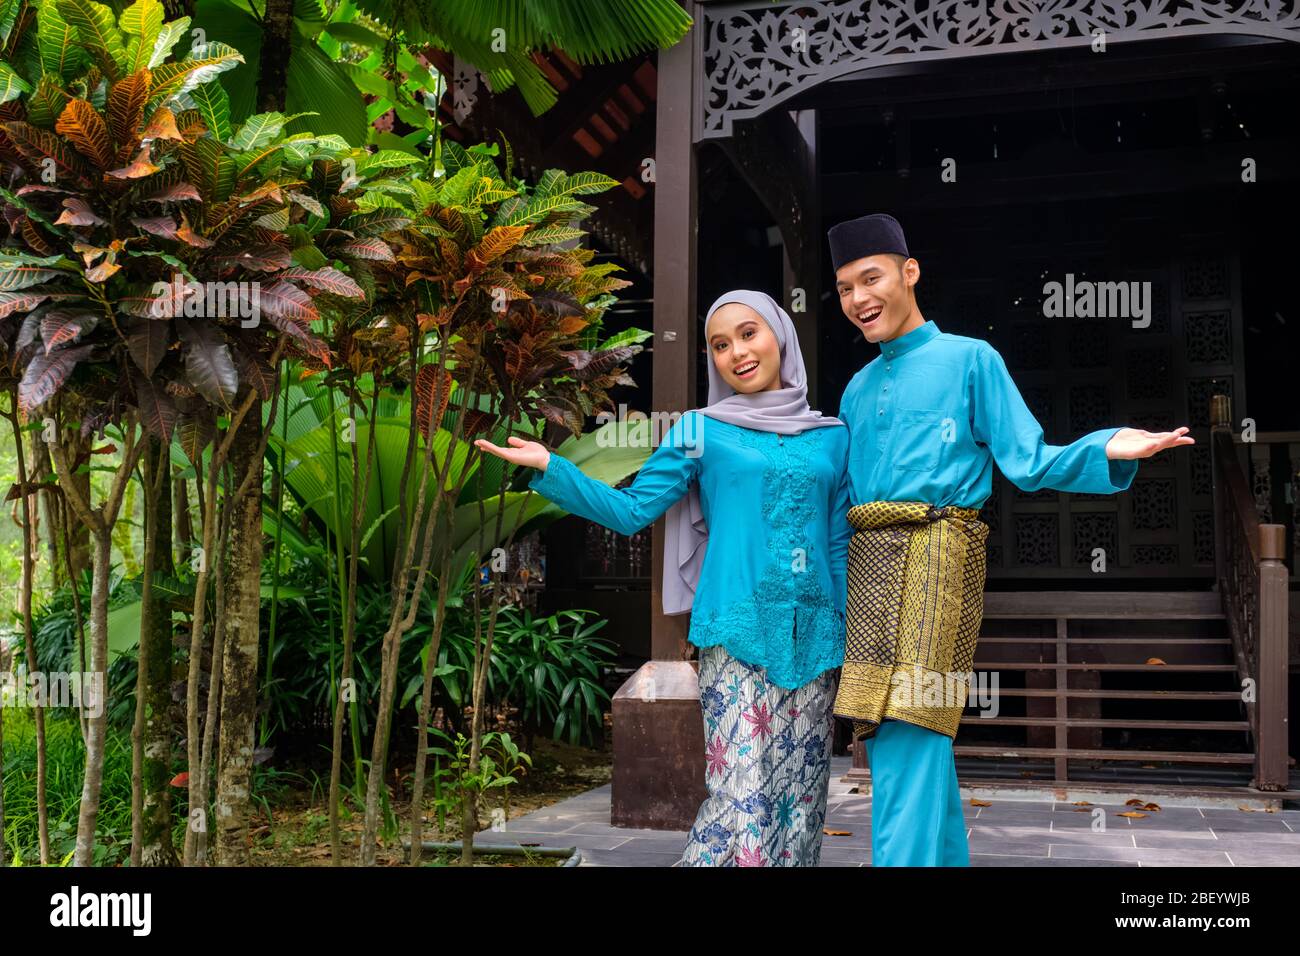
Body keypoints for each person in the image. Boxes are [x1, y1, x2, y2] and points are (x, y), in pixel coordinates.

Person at [827, 212, 1195, 866]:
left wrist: (1106, 444)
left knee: (913, 723)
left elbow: (1025, 458)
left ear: (909, 273)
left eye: (871, 278)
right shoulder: (856, 389)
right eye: (845, 287)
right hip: (869, 569)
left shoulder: (972, 359)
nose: (859, 299)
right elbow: (843, 505)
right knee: (895, 737)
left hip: (939, 555)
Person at [475, 290, 851, 866]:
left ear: (780, 335)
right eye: (719, 345)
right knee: (740, 803)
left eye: (749, 334)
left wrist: (850, 635)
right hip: (738, 631)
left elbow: (837, 540)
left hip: (816, 639)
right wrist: (552, 468)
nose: (737, 353)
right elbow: (631, 512)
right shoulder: (701, 430)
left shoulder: (832, 435)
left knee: (800, 805)